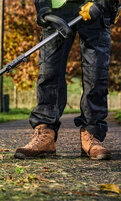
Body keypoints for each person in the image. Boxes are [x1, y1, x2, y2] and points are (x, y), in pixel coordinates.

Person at [14, 0, 120, 160]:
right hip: (56, 9)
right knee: (49, 71)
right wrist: (42, 7)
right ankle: (45, 134)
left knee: (96, 72)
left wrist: (103, 2)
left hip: (95, 7)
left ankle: (91, 134)